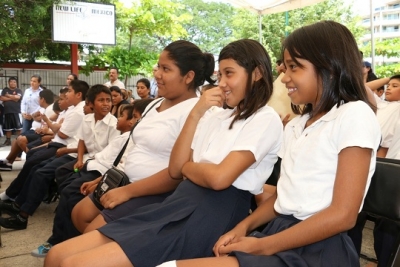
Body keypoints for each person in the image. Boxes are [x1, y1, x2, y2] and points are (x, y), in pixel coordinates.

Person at [156, 21, 381, 267]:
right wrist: (243, 227)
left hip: (320, 248)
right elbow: (284, 199)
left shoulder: (354, 114)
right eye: (285, 67)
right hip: (281, 233)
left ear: (328, 67)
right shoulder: (299, 124)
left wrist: (262, 245)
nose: (284, 77)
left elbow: (343, 215)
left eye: (294, 67)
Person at [44, 38, 283, 267]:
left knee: (73, 263)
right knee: (56, 256)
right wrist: (195, 113)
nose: (221, 83)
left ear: (258, 73)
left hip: (209, 214)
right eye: (220, 75)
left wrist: (192, 169)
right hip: (178, 202)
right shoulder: (217, 115)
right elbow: (177, 168)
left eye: (229, 73)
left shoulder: (265, 118)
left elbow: (219, 179)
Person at [31, 101, 151, 257]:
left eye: (132, 117)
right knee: (64, 180)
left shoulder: (133, 137)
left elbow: (121, 168)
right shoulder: (127, 136)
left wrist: (99, 182)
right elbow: (111, 161)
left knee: (71, 195)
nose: (119, 118)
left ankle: (61, 241)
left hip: (106, 174)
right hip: (97, 166)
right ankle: (62, 237)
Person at [0, 84, 119, 230]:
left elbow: (109, 152)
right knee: (43, 169)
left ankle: (23, 213)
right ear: (92, 103)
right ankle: (21, 207)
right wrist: (80, 159)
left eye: (108, 100)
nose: (106, 104)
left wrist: (74, 155)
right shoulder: (87, 119)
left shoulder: (113, 125)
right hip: (82, 158)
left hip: (96, 164)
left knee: (48, 174)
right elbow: (82, 141)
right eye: (101, 100)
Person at [0, 80, 88, 204]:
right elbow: (57, 128)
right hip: (56, 141)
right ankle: (18, 193)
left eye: (69, 91)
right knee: (31, 156)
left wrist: (52, 130)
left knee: (34, 163)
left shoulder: (79, 111)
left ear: (78, 94)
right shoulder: (72, 109)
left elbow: (61, 133)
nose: (66, 95)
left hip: (63, 145)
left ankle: (15, 195)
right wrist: (53, 128)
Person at [0, 89, 55, 171]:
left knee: (21, 140)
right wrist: (35, 117)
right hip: (39, 131)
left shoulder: (51, 109)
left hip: (46, 134)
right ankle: (8, 162)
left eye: (39, 98)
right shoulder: (44, 108)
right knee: (16, 140)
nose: (38, 100)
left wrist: (44, 130)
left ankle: (33, 161)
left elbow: (51, 126)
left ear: (43, 99)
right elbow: (41, 120)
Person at [0, 77, 23, 146]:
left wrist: (8, 96)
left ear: (16, 83)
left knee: (19, 127)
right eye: (11, 82)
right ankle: (8, 140)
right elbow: (1, 98)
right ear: (8, 83)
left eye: (14, 82)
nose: (12, 83)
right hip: (7, 112)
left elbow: (17, 98)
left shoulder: (18, 90)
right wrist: (13, 97)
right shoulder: (5, 90)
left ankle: (20, 140)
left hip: (16, 111)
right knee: (8, 128)